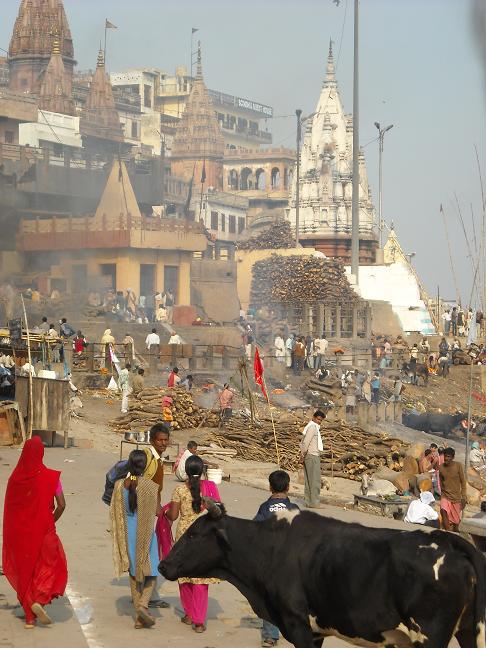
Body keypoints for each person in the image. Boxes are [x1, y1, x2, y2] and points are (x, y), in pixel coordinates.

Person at [3, 437, 67, 628]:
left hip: (20, 533)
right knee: (51, 565)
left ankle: (30, 619)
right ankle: (39, 599)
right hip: (45, 530)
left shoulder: (15, 479)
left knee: (25, 571)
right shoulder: (50, 477)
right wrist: (49, 521)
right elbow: (62, 504)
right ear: (41, 454)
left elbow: (11, 509)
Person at [165, 455, 221, 633]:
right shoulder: (210, 489)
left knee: (185, 576)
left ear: (186, 472)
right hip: (203, 536)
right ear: (202, 471)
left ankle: (189, 613)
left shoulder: (179, 490)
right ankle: (199, 620)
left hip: (184, 537)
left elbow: (173, 516)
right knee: (200, 580)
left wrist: (164, 513)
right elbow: (218, 513)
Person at [110, 450, 159, 628]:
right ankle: (143, 605)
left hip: (128, 535)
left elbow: (114, 510)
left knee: (134, 573)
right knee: (152, 571)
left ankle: (139, 616)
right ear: (145, 466)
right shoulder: (151, 486)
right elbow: (158, 512)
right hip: (146, 536)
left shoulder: (119, 486)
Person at [254, 470, 299, 647]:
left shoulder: (264, 508)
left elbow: (255, 529)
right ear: (288, 487)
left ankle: (270, 636)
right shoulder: (294, 508)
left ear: (270, 487)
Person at [299, 410, 325, 509]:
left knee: (309, 480)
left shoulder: (311, 427)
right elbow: (305, 443)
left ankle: (308, 501)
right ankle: (314, 502)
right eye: (318, 419)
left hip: (309, 455)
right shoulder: (313, 427)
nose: (319, 422)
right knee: (315, 481)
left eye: (321, 420)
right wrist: (302, 455)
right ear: (313, 418)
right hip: (312, 456)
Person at [439, 447, 467, 531]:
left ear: (453, 457)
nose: (446, 458)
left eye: (448, 456)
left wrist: (463, 497)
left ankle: (455, 534)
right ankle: (448, 534)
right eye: (445, 456)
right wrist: (442, 494)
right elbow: (441, 481)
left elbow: (463, 482)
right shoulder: (441, 467)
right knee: (443, 511)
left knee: (456, 522)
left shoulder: (458, 466)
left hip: (456, 497)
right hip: (445, 495)